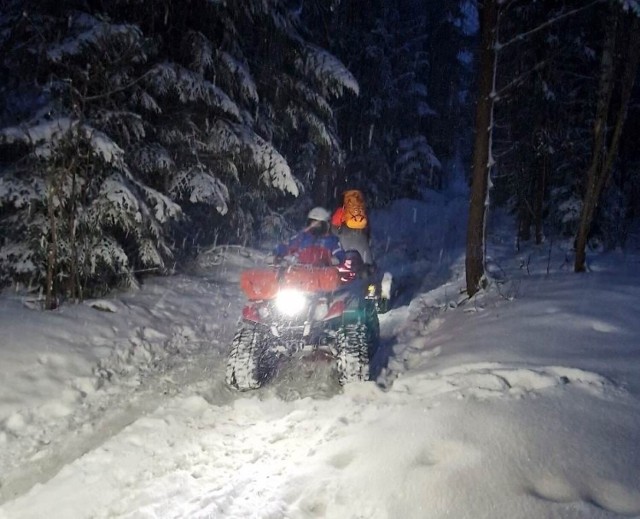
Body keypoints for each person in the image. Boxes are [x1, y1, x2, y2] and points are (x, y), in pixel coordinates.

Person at [274, 206, 345, 266]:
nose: (314, 226)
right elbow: (288, 246)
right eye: (312, 223)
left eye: (318, 224)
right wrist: (279, 253)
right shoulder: (302, 236)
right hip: (299, 272)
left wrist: (332, 260)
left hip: (323, 273)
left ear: (325, 225)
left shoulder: (332, 240)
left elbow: (340, 256)